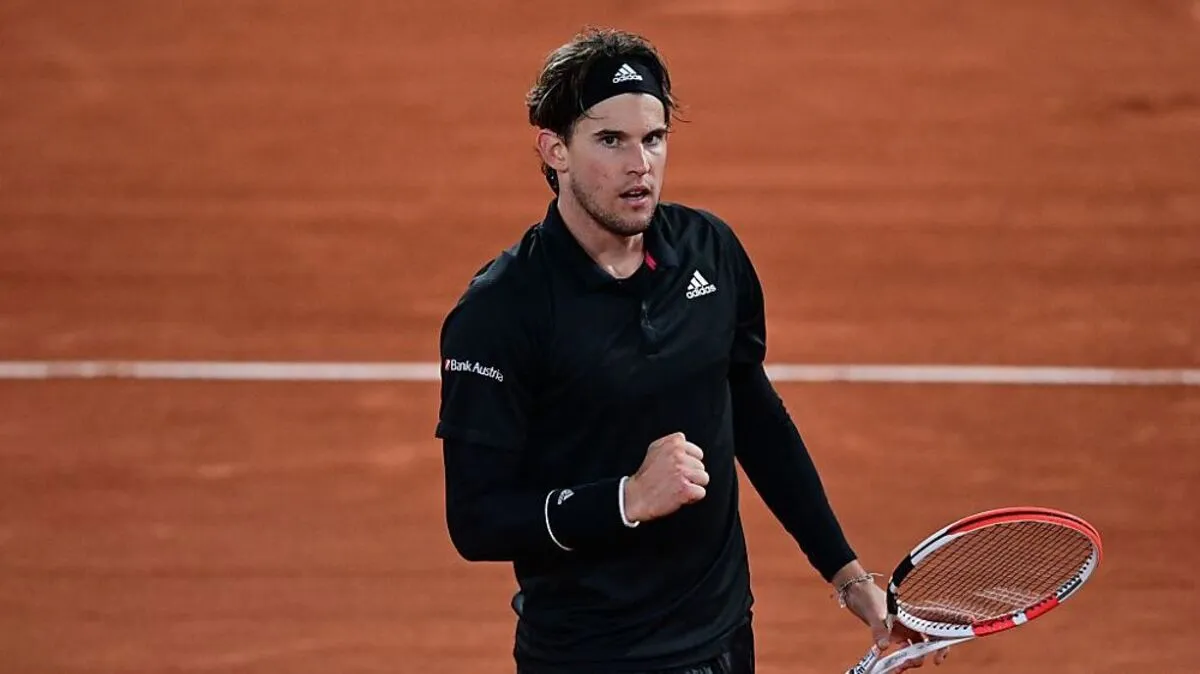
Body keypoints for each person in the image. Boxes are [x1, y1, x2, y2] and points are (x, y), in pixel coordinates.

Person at [435, 26, 950, 674]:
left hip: (725, 640)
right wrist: (626, 499)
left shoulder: (710, 251)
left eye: (653, 138)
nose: (640, 165)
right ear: (554, 149)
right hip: (593, 657)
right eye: (611, 140)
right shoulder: (500, 312)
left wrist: (849, 577)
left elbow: (755, 416)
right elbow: (476, 520)